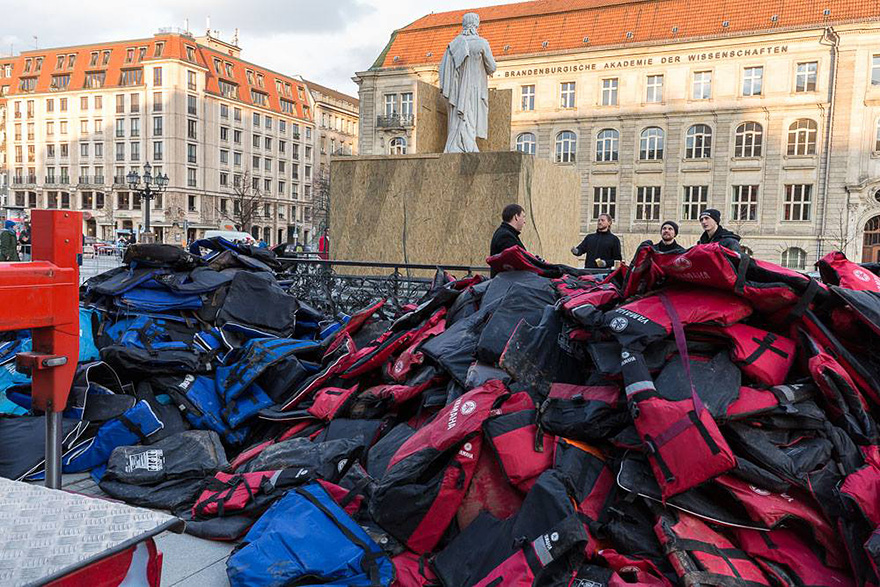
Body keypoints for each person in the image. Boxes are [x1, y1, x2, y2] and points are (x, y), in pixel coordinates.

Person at [438, 12, 497, 153]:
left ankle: (456, 145)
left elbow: (443, 69)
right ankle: (467, 146)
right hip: (475, 88)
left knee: (459, 117)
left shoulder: (454, 45)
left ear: (464, 24)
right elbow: (492, 67)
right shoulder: (482, 43)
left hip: (456, 90)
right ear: (476, 25)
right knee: (470, 117)